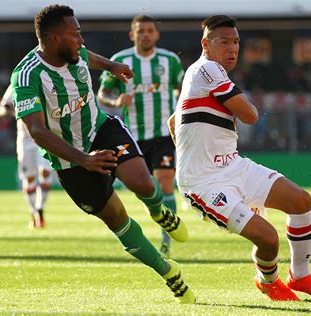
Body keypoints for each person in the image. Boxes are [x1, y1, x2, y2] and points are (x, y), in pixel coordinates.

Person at [11, 5, 194, 303]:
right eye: (76, 34)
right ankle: (167, 272)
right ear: (55, 39)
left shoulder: (75, 52)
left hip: (101, 130)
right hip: (71, 161)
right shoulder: (27, 76)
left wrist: (111, 66)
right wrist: (83, 159)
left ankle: (159, 211)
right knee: (118, 220)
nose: (81, 40)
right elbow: (38, 132)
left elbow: (88, 57)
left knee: (146, 185)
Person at [168, 15, 311, 302]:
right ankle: (268, 281)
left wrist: (190, 156)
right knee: (268, 238)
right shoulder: (208, 69)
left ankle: (300, 275)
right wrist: (190, 174)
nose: (233, 48)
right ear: (205, 44)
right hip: (204, 184)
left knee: (300, 201)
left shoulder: (198, 74)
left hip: (232, 165)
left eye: (236, 42)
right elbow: (250, 115)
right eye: (224, 42)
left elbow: (174, 122)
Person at [97, 15, 184, 258]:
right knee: (144, 188)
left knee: (166, 182)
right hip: (132, 135)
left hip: (163, 134)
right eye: (140, 31)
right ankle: (158, 214)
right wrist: (116, 100)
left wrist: (178, 112)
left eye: (149, 30)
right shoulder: (120, 61)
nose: (145, 34)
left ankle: (166, 240)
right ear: (132, 34)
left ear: (156, 34)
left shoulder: (170, 61)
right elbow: (102, 94)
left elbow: (183, 89)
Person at [0, 84, 53, 228]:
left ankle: (40, 210)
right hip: (26, 139)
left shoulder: (48, 79)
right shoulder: (17, 83)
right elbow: (2, 109)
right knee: (29, 178)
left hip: (46, 136)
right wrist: (12, 113)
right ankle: (33, 212)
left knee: (45, 171)